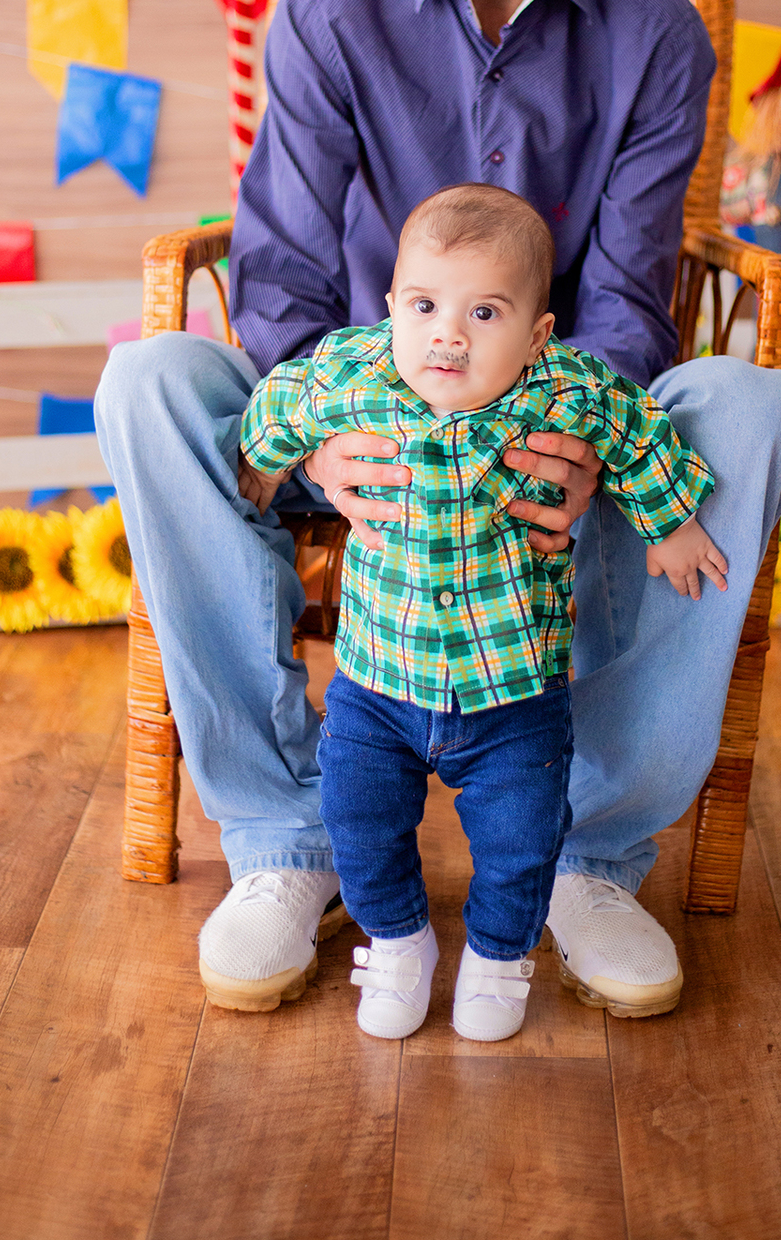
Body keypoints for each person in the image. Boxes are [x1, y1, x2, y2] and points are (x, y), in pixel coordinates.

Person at [96, 0, 781, 1024]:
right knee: (151, 379)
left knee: (754, 403)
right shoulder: (328, 6)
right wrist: (332, 436)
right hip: (354, 412)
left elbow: (634, 292)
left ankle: (591, 856)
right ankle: (287, 837)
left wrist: (565, 438)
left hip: (558, 432)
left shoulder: (656, 33)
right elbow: (287, 268)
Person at [236, 185, 723, 1041]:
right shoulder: (357, 370)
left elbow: (638, 431)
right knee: (359, 820)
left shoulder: (563, 388)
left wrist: (670, 522)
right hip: (378, 684)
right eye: (423, 305)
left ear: (537, 333)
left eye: (485, 312)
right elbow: (287, 397)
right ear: (391, 308)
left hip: (514, 695)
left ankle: (500, 957)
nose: (447, 334)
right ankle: (397, 943)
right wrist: (264, 463)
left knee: (521, 838)